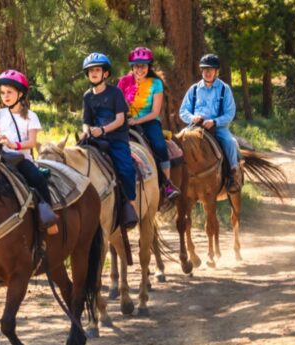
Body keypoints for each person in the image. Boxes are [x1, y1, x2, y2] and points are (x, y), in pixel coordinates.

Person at [0, 69, 58, 235]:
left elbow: (32, 142)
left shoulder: (31, 116)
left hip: (21, 160)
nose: (5, 96)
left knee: (38, 179)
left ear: (20, 94)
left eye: (9, 92)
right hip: (0, 158)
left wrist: (13, 145)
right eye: (2, 92)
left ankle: (49, 219)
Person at [80, 52, 138, 228]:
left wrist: (103, 130)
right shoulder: (87, 96)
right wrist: (86, 132)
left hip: (115, 138)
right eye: (91, 71)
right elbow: (86, 121)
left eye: (97, 70)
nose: (94, 73)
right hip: (95, 138)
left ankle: (130, 205)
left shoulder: (115, 93)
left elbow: (120, 119)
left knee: (126, 169)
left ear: (105, 73)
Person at [117, 47, 180, 202]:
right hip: (124, 122)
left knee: (159, 146)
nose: (140, 69)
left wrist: (136, 121)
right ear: (132, 66)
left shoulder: (156, 83)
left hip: (149, 121)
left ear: (149, 66)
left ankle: (167, 185)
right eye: (137, 66)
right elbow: (117, 104)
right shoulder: (123, 82)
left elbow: (155, 112)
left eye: (143, 66)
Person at [179, 53, 242, 192]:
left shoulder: (224, 89)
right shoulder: (194, 89)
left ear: (216, 71)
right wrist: (192, 118)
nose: (207, 72)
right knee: (177, 141)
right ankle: (175, 178)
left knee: (230, 142)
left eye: (211, 69)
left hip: (217, 127)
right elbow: (183, 111)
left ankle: (233, 173)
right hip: (195, 127)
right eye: (205, 69)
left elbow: (230, 113)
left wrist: (215, 121)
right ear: (201, 71)